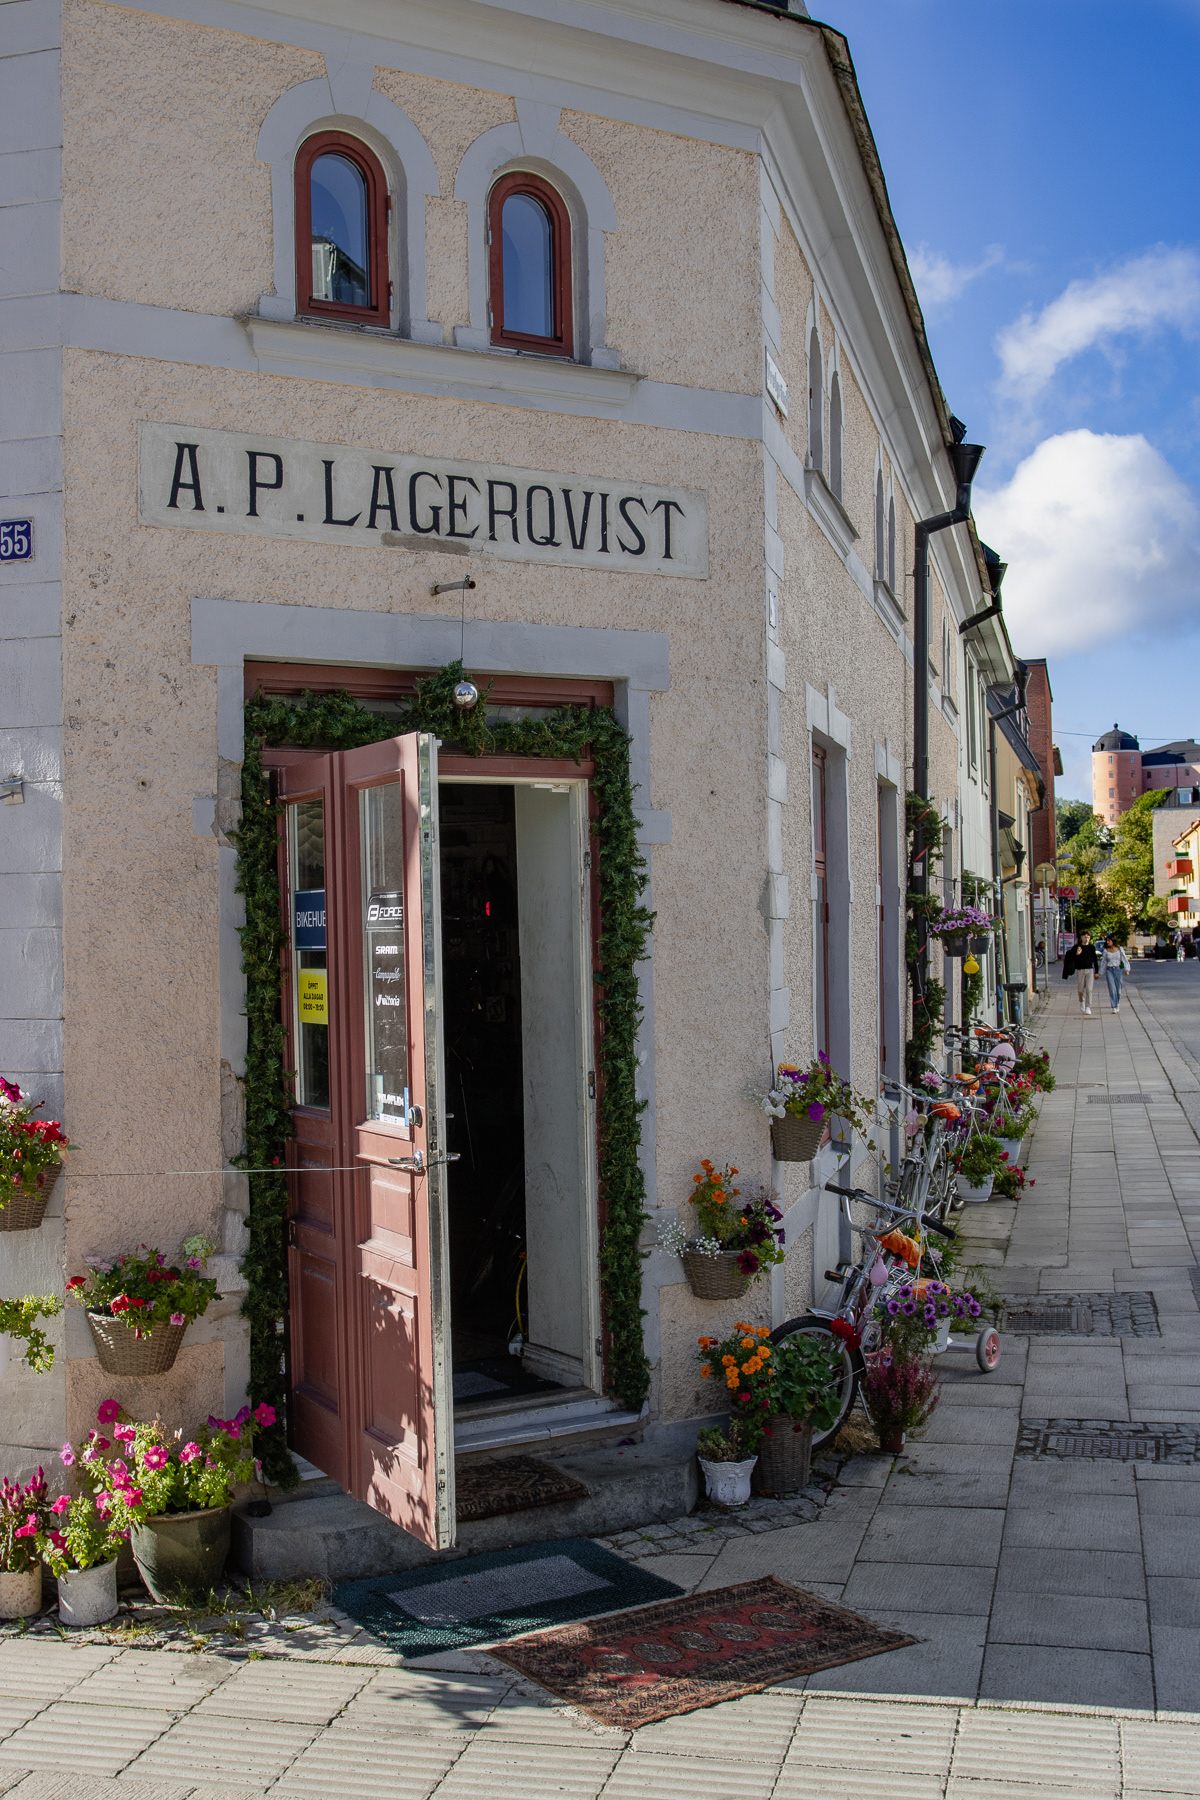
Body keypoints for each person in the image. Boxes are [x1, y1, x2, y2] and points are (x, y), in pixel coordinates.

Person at [1063, 930, 1099, 1014]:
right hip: (1080, 970)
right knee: (1080, 990)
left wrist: (1096, 971)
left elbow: (1095, 959)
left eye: (1088, 937)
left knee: (1089, 989)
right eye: (1085, 937)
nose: (1086, 939)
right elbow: (1070, 957)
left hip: (1090, 970)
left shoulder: (1091, 947)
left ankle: (1088, 1007)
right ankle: (1081, 1001)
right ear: (1081, 937)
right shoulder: (1077, 947)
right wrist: (1077, 954)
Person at [1102, 937, 1131, 1013]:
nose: (1107, 942)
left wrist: (1127, 970)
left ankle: (1117, 1003)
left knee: (1118, 989)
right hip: (1109, 970)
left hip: (1118, 969)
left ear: (1113, 941)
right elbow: (1104, 962)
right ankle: (1114, 1006)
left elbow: (1124, 959)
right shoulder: (1106, 951)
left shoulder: (1120, 949)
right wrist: (1100, 973)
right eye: (1107, 941)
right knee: (1112, 988)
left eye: (1109, 940)